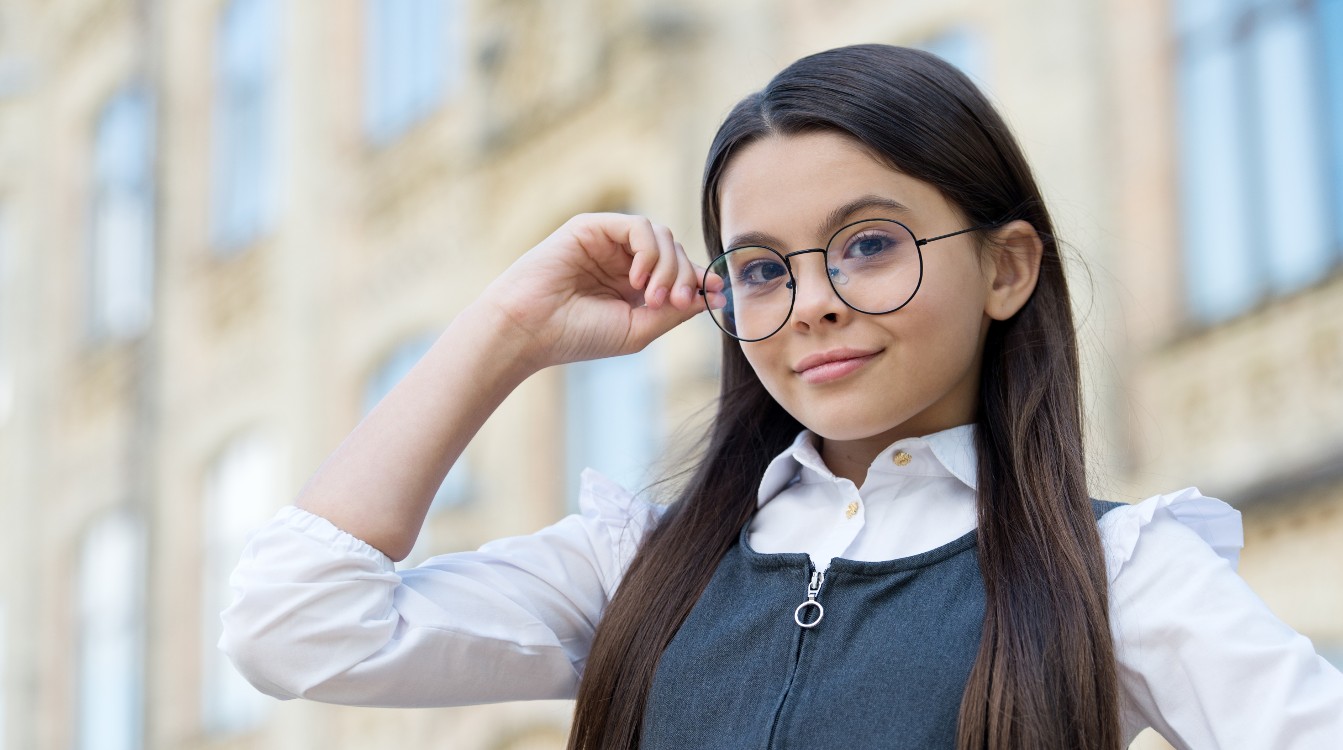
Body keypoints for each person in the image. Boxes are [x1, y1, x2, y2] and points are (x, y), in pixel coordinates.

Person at [220, 45, 1343, 749]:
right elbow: (295, 628)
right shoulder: (640, 568)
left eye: (865, 244)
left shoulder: (1116, 574)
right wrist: (508, 329)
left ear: (1006, 268)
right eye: (760, 267)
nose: (809, 302)